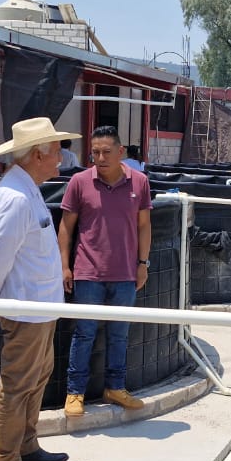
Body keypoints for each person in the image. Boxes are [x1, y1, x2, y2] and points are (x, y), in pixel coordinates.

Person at [0, 118, 80, 461]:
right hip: (25, 309)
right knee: (19, 384)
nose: (61, 158)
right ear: (37, 154)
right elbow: (0, 257)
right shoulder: (16, 197)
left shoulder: (28, 190)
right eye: (56, 151)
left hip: (38, 307)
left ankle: (25, 446)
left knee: (35, 380)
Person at [59, 125, 152, 415]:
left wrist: (142, 264)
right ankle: (75, 393)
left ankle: (115, 388)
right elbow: (66, 226)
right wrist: (64, 265)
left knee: (119, 334)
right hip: (88, 273)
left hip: (125, 273)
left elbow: (145, 226)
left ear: (120, 151)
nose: (100, 157)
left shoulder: (139, 182)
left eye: (106, 152)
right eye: (95, 152)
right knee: (84, 332)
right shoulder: (79, 181)